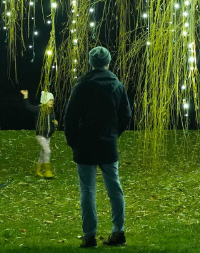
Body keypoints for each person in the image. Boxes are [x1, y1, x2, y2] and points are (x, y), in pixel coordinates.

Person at [63, 46, 132, 248]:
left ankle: (89, 235)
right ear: (108, 62)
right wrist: (113, 133)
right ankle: (118, 231)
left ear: (91, 63)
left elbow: (70, 117)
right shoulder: (117, 85)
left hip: (84, 144)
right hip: (108, 144)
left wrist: (73, 140)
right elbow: (125, 115)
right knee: (115, 189)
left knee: (87, 190)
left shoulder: (81, 85)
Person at [34, 90, 58, 178]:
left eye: (52, 100)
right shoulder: (39, 110)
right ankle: (47, 171)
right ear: (45, 101)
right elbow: (28, 107)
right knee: (48, 151)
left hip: (48, 135)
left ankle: (38, 171)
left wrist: (55, 124)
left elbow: (50, 124)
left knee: (43, 153)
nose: (51, 102)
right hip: (41, 135)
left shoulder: (50, 112)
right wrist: (26, 97)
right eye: (49, 100)